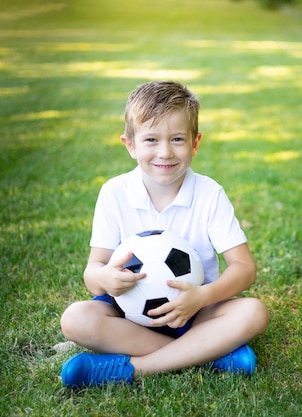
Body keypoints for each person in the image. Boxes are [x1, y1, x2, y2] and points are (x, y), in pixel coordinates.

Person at [59, 80, 270, 388]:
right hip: (129, 316)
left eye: (177, 139)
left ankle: (133, 369)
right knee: (75, 319)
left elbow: (244, 268)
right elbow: (93, 272)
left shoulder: (209, 193)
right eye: (151, 140)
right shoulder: (115, 193)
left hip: (196, 311)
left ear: (195, 143)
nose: (165, 151)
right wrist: (105, 278)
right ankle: (213, 355)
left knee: (254, 312)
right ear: (130, 144)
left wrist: (202, 297)